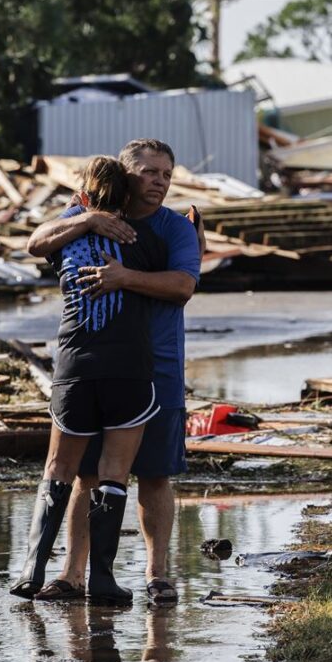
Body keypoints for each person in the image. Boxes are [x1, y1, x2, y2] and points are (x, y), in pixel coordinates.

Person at [26, 138, 204, 606]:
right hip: (94, 365)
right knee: (86, 474)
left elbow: (183, 285)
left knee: (156, 473)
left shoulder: (174, 229)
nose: (159, 182)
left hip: (159, 366)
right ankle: (72, 574)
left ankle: (157, 573)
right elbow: (36, 242)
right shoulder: (86, 215)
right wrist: (85, 218)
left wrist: (126, 278)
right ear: (125, 175)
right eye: (148, 172)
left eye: (166, 174)